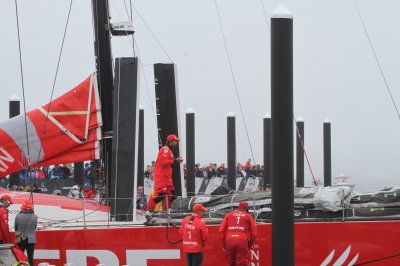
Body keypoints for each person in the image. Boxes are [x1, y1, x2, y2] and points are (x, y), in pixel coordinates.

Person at [147, 134, 184, 211]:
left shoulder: (169, 150)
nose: (177, 142)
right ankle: (148, 211)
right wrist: (175, 160)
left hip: (167, 178)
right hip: (161, 176)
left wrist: (175, 160)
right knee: (160, 194)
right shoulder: (165, 149)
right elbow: (163, 162)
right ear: (171, 141)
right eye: (175, 141)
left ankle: (167, 211)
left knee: (171, 195)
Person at [219, 201, 257, 266]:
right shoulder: (249, 216)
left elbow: (221, 230)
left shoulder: (229, 215)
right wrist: (249, 245)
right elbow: (254, 234)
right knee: (241, 263)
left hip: (230, 239)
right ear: (247, 209)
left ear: (238, 207)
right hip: (242, 240)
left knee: (231, 263)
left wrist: (223, 244)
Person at [14, 201, 38, 266]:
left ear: (23, 207)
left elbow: (15, 228)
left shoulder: (18, 216)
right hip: (31, 239)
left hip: (21, 238)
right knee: (30, 257)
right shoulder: (35, 216)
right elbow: (34, 227)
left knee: (20, 256)